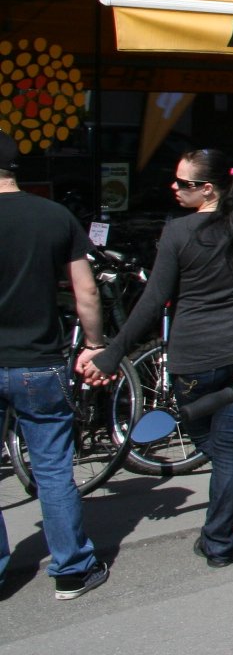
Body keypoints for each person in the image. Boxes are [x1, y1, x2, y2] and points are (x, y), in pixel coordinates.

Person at [81, 149, 233, 568]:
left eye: (184, 183)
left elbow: (153, 301)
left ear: (208, 189)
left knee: (212, 442)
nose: (174, 187)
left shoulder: (178, 232)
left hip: (197, 356)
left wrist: (111, 354)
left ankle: (220, 537)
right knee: (226, 443)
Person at [0, 132, 109, 600]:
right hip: (39, 361)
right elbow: (86, 290)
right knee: (51, 469)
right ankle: (72, 569)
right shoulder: (53, 215)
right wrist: (94, 344)